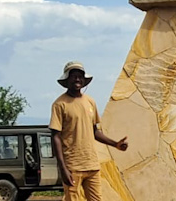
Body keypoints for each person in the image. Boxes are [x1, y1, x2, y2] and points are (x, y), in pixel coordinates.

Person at [49, 61, 128, 201]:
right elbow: (55, 136)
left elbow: (94, 131)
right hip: (72, 166)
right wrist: (62, 168)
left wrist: (115, 144)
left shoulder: (90, 102)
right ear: (67, 80)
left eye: (80, 76)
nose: (77, 79)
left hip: (91, 164)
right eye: (74, 76)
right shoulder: (60, 104)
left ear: (84, 80)